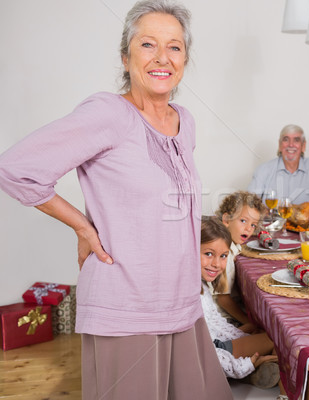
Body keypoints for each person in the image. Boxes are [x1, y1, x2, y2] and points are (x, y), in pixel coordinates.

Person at [0, 1, 232, 398]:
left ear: (185, 58)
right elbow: (16, 169)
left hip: (180, 303)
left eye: (174, 47)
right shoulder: (107, 113)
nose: (162, 58)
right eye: (147, 45)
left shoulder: (185, 120)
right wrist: (82, 225)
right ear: (125, 57)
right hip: (126, 306)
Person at [200, 216, 280, 387]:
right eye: (208, 254)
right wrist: (244, 365)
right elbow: (204, 352)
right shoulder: (188, 293)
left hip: (215, 342)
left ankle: (256, 369)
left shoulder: (200, 284)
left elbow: (214, 322)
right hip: (214, 352)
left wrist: (242, 333)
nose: (216, 264)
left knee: (266, 333)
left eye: (223, 256)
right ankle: (249, 373)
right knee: (276, 341)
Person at [247, 124, 309, 210]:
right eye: (286, 139)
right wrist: (261, 210)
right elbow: (249, 202)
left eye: (296, 140)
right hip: (274, 225)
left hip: (307, 225)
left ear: (303, 145)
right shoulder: (264, 170)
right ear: (280, 145)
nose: (291, 145)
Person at [213, 191, 265, 327]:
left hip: (226, 314)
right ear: (226, 220)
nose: (249, 229)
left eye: (253, 225)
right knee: (270, 335)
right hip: (223, 318)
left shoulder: (229, 243)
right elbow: (223, 299)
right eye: (243, 221)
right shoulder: (223, 254)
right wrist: (247, 322)